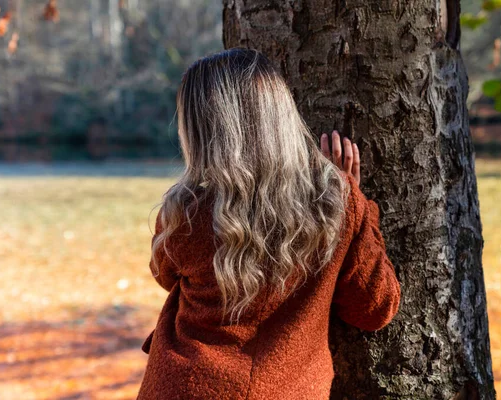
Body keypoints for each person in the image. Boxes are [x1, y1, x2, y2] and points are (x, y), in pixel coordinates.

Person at [136, 47, 401, 400]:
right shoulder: (335, 205)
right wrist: (359, 206)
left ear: (199, 131)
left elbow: (165, 274)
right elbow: (374, 309)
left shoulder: (186, 211)